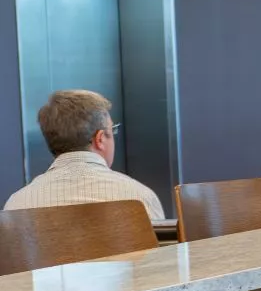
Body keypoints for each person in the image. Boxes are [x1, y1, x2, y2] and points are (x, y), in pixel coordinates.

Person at [5, 89, 165, 224]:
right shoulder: (138, 199)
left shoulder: (16, 205)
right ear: (100, 139)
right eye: (112, 130)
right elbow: (159, 259)